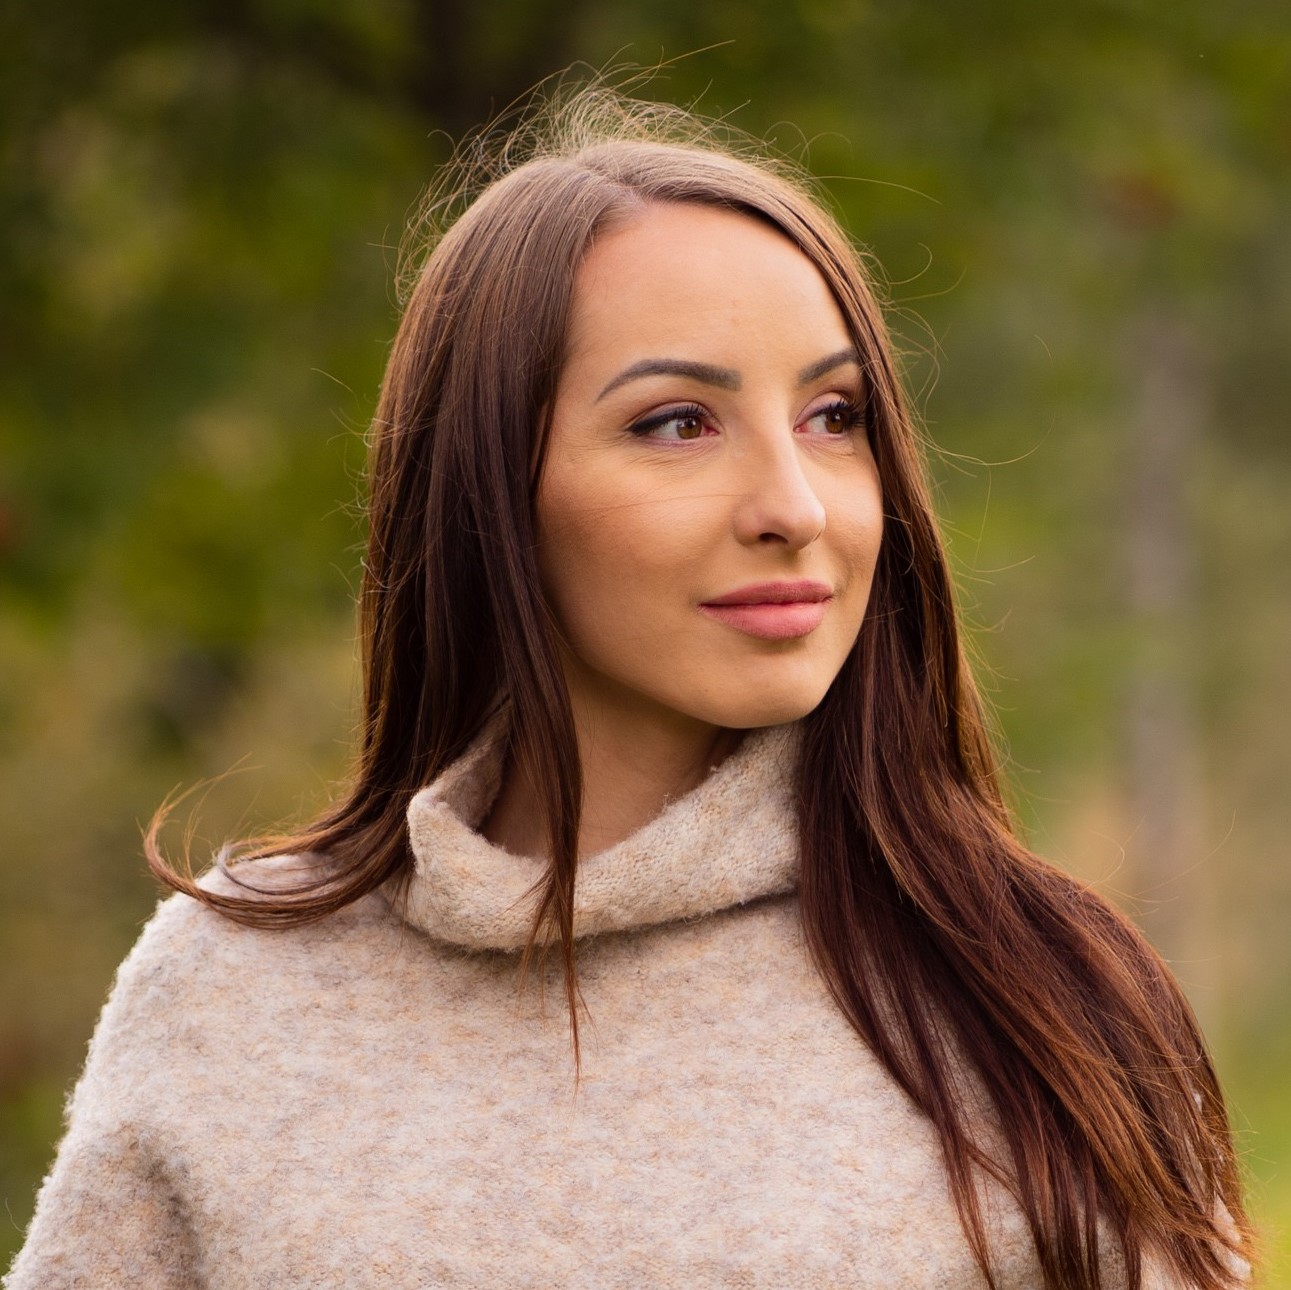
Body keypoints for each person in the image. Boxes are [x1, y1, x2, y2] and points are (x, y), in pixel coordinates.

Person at [7, 89, 1251, 1290]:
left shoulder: (1036, 999)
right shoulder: (238, 992)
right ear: (488, 488)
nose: (794, 507)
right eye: (676, 424)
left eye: (832, 415)